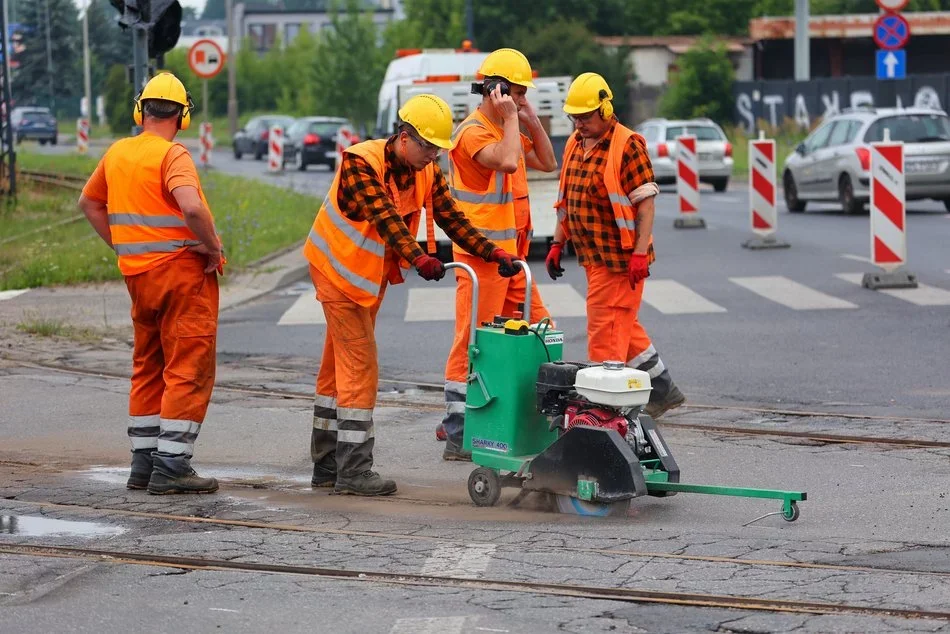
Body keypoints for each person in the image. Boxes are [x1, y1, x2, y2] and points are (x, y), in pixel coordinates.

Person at [303, 94, 518, 496]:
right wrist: (420, 259)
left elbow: (453, 217)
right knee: (359, 367)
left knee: (336, 368)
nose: (432, 155)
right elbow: (385, 217)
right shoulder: (360, 163)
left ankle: (327, 467)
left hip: (364, 279)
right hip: (336, 271)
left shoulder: (426, 171)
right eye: (427, 146)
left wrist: (492, 252)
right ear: (403, 137)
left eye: (437, 149)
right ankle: (353, 469)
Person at [78, 72, 224, 494]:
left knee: (148, 365)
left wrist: (123, 244)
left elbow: (88, 203)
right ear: (182, 117)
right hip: (181, 274)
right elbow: (192, 207)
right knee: (187, 367)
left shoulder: (117, 153)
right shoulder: (172, 155)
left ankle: (143, 464)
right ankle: (173, 465)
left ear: (140, 110)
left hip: (138, 276)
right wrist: (212, 248)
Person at [439, 48, 559, 460]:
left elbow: (547, 160)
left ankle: (536, 419)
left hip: (509, 260)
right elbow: (508, 162)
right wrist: (511, 118)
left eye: (524, 94)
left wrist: (527, 118)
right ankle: (457, 430)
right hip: (479, 259)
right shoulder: (473, 132)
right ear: (497, 90)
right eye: (518, 93)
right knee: (470, 343)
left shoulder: (506, 126)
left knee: (543, 331)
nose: (523, 99)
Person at [546, 72, 685, 419]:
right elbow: (566, 199)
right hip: (593, 258)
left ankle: (606, 410)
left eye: (586, 116)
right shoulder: (575, 145)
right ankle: (663, 389)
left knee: (606, 335)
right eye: (574, 117)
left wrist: (639, 253)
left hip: (621, 261)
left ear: (605, 109)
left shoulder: (627, 144)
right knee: (624, 326)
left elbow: (646, 204)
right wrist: (556, 242)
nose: (579, 123)